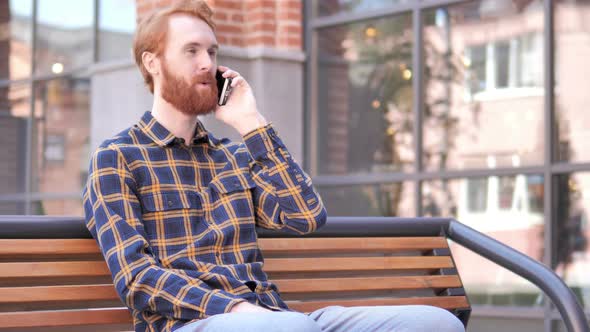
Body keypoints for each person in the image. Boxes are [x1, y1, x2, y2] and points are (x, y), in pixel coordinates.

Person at [82, 1, 465, 331]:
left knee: (436, 323)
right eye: (192, 51)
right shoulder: (117, 158)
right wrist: (233, 308)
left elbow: (307, 216)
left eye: (212, 53)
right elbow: (136, 278)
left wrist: (252, 123)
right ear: (153, 62)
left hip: (274, 318)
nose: (207, 64)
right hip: (191, 322)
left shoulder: (231, 156)